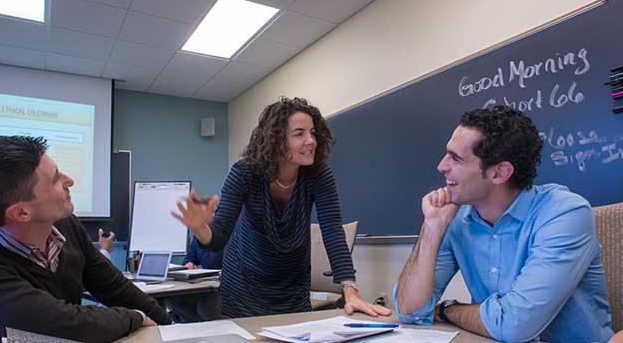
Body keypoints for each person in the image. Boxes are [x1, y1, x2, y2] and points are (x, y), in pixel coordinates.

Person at [394, 105, 613, 342]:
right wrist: (431, 228)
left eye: (456, 158)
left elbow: (514, 326)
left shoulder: (564, 214)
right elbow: (410, 311)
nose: (441, 166)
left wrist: (446, 310)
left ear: (499, 173)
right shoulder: (457, 219)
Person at [173, 96, 391, 318]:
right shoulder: (245, 172)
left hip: (293, 284)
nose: (311, 141)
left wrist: (350, 289)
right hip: (245, 285)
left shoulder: (318, 174)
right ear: (276, 140)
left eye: (313, 133)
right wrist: (200, 227)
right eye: (299, 134)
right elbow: (218, 237)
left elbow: (333, 230)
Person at [0, 136, 171, 343]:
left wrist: (171, 327)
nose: (69, 180)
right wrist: (136, 317)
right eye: (55, 179)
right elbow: (62, 321)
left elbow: (114, 287)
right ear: (21, 213)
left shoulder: (67, 226)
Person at [165, 236, 225, 323]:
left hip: (221, 285)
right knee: (171, 297)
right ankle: (194, 324)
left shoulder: (227, 233)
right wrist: (189, 263)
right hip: (203, 283)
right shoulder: (199, 237)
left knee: (206, 307)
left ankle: (199, 324)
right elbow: (189, 258)